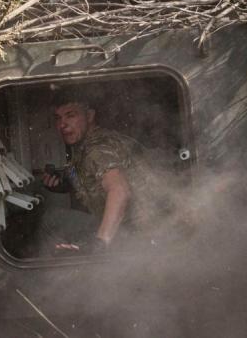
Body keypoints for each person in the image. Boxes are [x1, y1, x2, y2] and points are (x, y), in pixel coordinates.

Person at [41, 90, 165, 253]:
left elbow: (119, 190)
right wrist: (65, 185)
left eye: (70, 115)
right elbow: (94, 179)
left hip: (139, 234)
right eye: (58, 118)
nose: (62, 124)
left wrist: (100, 243)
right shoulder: (85, 145)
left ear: (90, 116)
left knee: (51, 219)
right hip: (136, 229)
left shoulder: (98, 148)